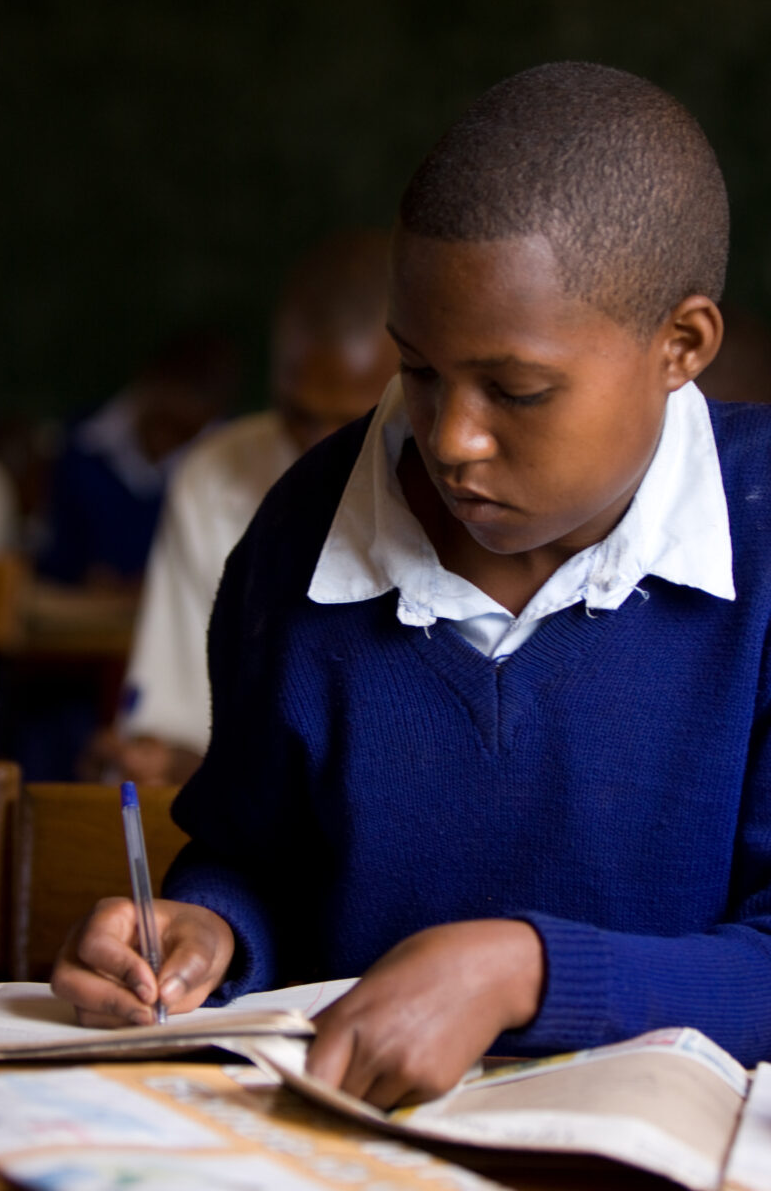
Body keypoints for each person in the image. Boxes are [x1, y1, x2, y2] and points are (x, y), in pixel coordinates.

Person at [53, 62, 771, 1105]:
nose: (450, 439)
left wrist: (521, 971)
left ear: (680, 346)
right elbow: (253, 857)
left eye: (515, 390)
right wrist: (206, 932)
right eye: (418, 370)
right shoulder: (303, 534)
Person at [97, 229, 398, 785]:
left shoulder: (467, 483)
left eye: (354, 420)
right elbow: (174, 725)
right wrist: (164, 759)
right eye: (300, 413)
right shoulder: (214, 474)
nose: (319, 447)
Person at [37, 330, 238, 590]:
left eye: (183, 432)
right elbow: (54, 558)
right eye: (162, 423)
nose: (165, 443)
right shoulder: (83, 443)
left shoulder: (225, 463)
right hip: (78, 616)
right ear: (148, 385)